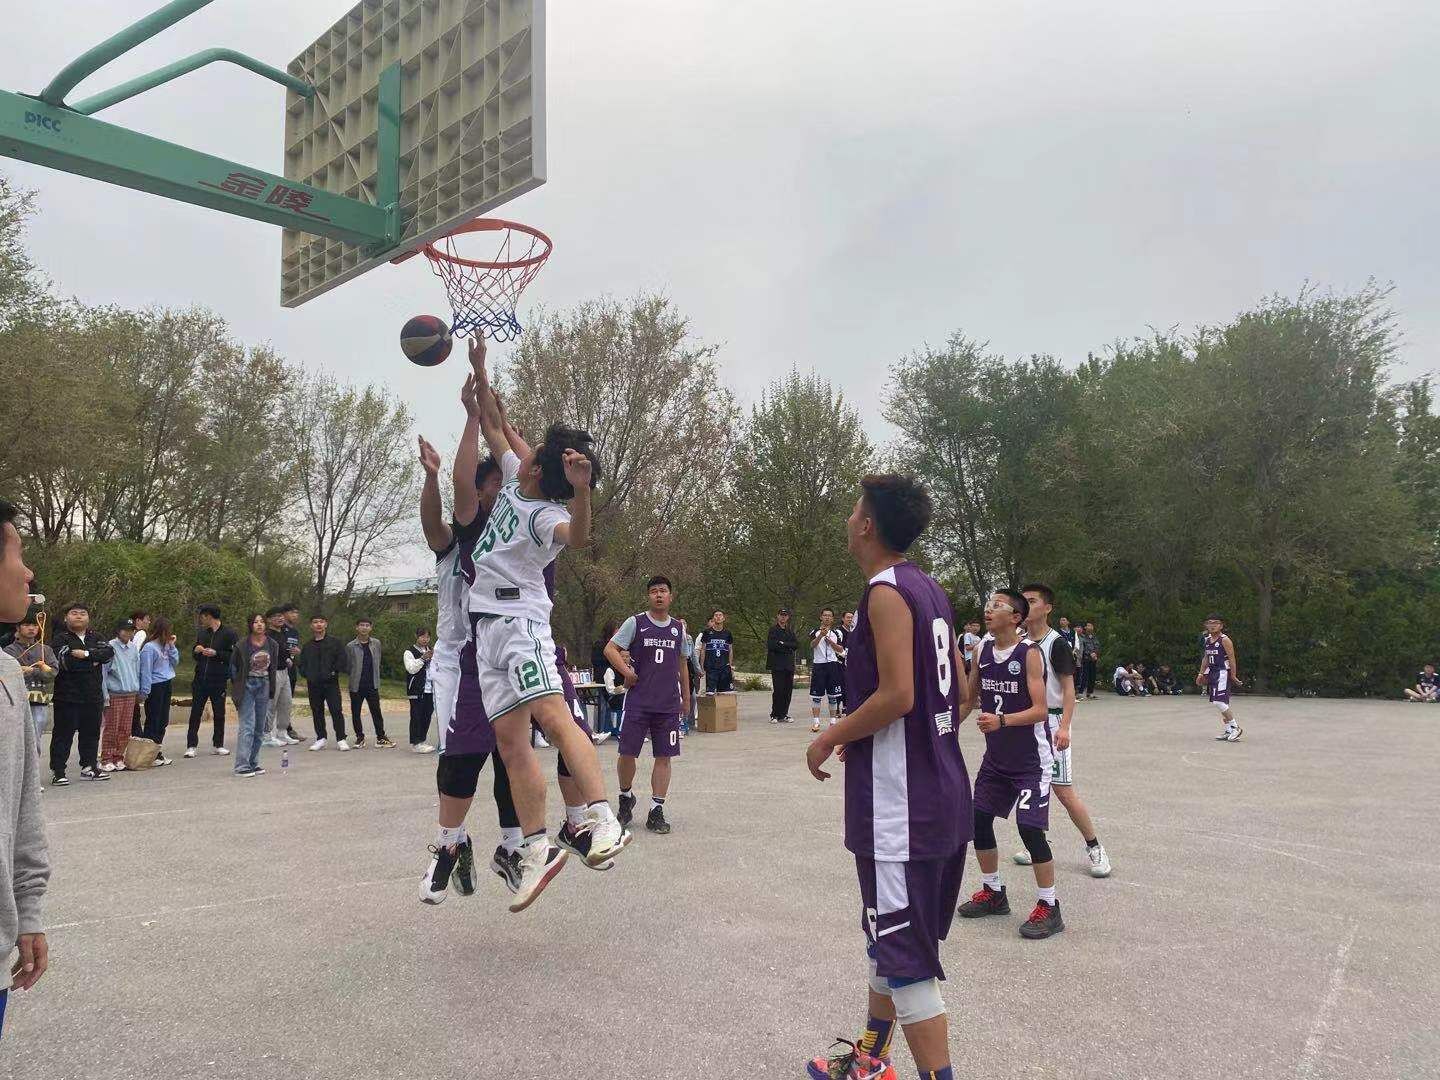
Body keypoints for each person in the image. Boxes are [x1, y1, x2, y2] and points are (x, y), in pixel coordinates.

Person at [803, 475, 968, 1080]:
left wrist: (831, 734)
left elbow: (899, 695)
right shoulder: (929, 588)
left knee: (907, 961)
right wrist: (878, 736)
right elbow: (954, 691)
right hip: (937, 790)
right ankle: (871, 1058)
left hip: (903, 808)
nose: (849, 520)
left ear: (868, 525)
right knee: (886, 935)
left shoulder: (884, 591)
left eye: (854, 511)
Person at [463, 336, 628, 907]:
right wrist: (482, 372)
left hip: (520, 624)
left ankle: (601, 818)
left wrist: (582, 494)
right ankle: (535, 849)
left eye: (531, 448)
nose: (521, 444)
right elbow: (495, 422)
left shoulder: (546, 515)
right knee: (511, 744)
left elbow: (577, 538)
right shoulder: (515, 473)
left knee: (555, 719)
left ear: (537, 466)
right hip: (486, 627)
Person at [957, 587, 1065, 940]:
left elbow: (1040, 710)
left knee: (1030, 830)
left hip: (1031, 761)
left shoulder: (1029, 654)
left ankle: (1049, 905)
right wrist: (943, 731)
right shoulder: (981, 650)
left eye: (997, 605)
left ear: (1016, 617)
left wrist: (1002, 721)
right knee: (978, 820)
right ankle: (993, 892)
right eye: (988, 604)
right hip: (996, 759)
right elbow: (969, 699)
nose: (988, 610)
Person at [1011, 584, 1111, 878]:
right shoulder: (1019, 643)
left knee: (1063, 791)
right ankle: (1036, 843)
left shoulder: (1056, 643)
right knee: (1032, 786)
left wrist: (1065, 727)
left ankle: (1095, 847)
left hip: (1053, 722)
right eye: (1023, 601)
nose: (1026, 606)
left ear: (1048, 608)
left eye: (1032, 601)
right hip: (1026, 723)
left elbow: (1068, 690)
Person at [0, 497, 51, 1031]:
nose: (28, 571)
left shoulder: (8, 674)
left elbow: (22, 807)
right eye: (17, 553)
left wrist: (28, 911)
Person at [605, 575, 693, 835]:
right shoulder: (636, 622)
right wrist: (626, 672)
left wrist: (686, 698)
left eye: (663, 590)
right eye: (654, 591)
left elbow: (682, 664)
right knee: (627, 753)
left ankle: (656, 809)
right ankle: (625, 797)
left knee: (664, 756)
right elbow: (610, 649)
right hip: (638, 702)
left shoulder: (678, 629)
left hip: (667, 704)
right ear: (648, 596)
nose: (658, 595)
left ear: (670, 596)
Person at [50, 603, 115, 784]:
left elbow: (108, 653)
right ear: (66, 618)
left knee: (91, 733)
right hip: (67, 696)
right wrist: (93, 660)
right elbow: (66, 663)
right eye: (74, 613)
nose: (79, 616)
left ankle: (89, 766)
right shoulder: (60, 639)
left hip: (93, 695)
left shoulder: (96, 636)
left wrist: (85, 654)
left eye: (83, 613)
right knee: (63, 734)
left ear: (88, 618)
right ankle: (58, 771)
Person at [185, 604, 237, 758]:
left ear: (210, 617)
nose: (201, 619)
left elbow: (234, 656)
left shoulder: (229, 634)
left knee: (219, 713)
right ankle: (191, 745)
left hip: (218, 679)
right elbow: (195, 654)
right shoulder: (202, 633)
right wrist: (196, 650)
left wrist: (216, 653)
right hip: (200, 679)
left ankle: (218, 744)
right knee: (195, 712)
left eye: (203, 616)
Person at [230, 614, 278, 777]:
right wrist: (238, 684)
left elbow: (273, 667)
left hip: (264, 684)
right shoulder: (242, 644)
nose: (259, 624)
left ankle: (253, 762)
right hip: (247, 685)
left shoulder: (272, 644)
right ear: (250, 625)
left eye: (262, 622)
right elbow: (234, 667)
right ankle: (241, 766)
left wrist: (271, 687)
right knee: (247, 726)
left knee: (259, 727)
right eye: (256, 622)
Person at [4, 614, 55, 754]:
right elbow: (10, 674)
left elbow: (53, 673)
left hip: (39, 700)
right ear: (18, 628)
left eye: (35, 625)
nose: (31, 628)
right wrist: (39, 670)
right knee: (15, 740)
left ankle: (34, 767)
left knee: (35, 740)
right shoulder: (9, 651)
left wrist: (32, 670)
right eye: (27, 625)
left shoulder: (46, 650)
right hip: (16, 701)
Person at [299, 615, 349, 751]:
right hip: (314, 684)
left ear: (326, 624)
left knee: (336, 710)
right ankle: (321, 738)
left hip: (331, 683)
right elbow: (302, 664)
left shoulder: (335, 642)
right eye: (315, 622)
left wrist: (333, 672)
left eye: (321, 622)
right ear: (311, 625)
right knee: (317, 711)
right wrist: (308, 674)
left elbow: (342, 659)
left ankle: (341, 738)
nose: (318, 624)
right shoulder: (308, 646)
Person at [99, 618, 140, 772]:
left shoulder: (133, 648)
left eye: (131, 630)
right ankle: (106, 758)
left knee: (125, 729)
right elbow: (103, 672)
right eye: (125, 630)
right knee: (112, 727)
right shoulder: (110, 647)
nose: (128, 633)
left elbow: (137, 669)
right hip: (114, 692)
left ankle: (118, 757)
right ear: (118, 631)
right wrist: (105, 694)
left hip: (130, 692)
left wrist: (138, 688)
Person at [137, 616, 178, 766]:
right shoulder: (149, 648)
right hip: (155, 686)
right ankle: (148, 753)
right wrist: (145, 691)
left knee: (163, 720)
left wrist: (172, 646)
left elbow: (175, 662)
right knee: (153, 720)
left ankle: (156, 751)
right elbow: (146, 671)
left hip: (166, 682)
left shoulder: (166, 646)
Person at [346, 618, 393, 748]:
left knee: (376, 711)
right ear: (357, 627)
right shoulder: (351, 646)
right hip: (356, 685)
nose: (364, 628)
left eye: (367, 625)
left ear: (371, 628)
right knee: (356, 712)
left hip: (372, 684)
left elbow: (378, 660)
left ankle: (381, 737)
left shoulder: (376, 643)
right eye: (362, 625)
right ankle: (360, 738)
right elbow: (348, 665)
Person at [1198, 614, 1243, 741]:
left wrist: (1233, 675)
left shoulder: (1225, 640)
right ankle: (1229, 730)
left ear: (1221, 625)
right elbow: (1206, 658)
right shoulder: (1207, 640)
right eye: (1210, 623)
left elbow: (1232, 658)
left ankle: (1235, 727)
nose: (1212, 625)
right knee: (1220, 702)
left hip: (1222, 672)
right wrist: (1201, 673)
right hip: (1212, 672)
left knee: (1219, 701)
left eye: (1215, 623)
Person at [262, 608, 298, 748]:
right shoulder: (267, 635)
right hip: (272, 673)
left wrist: (288, 658)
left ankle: (282, 732)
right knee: (271, 704)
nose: (280, 618)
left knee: (286, 703)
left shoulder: (283, 633)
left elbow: (284, 651)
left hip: (285, 672)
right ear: (269, 620)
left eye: (281, 616)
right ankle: (266, 735)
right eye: (276, 616)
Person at [808, 607, 846, 733]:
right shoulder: (814, 631)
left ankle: (833, 722)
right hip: (819, 665)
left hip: (832, 665)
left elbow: (841, 650)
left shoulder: (836, 633)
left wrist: (831, 643)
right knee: (816, 696)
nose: (827, 617)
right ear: (821, 617)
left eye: (829, 615)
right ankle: (816, 722)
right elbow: (812, 645)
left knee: (833, 696)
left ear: (833, 618)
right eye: (825, 615)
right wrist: (821, 636)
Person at [404, 628, 436, 752]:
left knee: (427, 715)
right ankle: (416, 743)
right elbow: (411, 669)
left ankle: (422, 740)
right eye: (422, 636)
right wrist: (422, 659)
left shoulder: (432, 650)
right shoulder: (409, 652)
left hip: (431, 689)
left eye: (427, 637)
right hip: (416, 689)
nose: (425, 639)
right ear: (416, 636)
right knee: (416, 716)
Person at [766, 608, 798, 723]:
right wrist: (787, 646)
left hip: (788, 665)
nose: (783, 617)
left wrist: (783, 643)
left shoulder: (790, 631)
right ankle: (775, 714)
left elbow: (795, 645)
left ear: (788, 617)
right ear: (778, 616)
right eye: (781, 615)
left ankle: (784, 714)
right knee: (778, 690)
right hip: (777, 665)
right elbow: (772, 645)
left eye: (785, 615)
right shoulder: (773, 630)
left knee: (787, 691)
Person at [279, 604, 304, 742]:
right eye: (292, 612)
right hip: (279, 668)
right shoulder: (280, 629)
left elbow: (294, 648)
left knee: (287, 702)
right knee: (274, 701)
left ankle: (287, 729)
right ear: (284, 614)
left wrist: (297, 651)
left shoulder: (295, 632)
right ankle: (269, 731)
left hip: (291, 669)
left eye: (297, 613)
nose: (295, 615)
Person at [697, 610, 734, 694]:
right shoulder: (707, 632)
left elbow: (730, 649)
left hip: (724, 667)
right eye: (716, 615)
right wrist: (702, 666)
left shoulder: (727, 633)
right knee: (710, 693)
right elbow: (703, 649)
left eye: (720, 615)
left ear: (723, 618)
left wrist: (730, 665)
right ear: (713, 618)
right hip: (711, 667)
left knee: (725, 693)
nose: (718, 617)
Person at [1077, 622, 1099, 699]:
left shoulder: (1094, 637)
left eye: (1091, 625)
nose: (1089, 627)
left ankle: (1090, 692)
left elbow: (1097, 646)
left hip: (1093, 659)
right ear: (1085, 628)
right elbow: (1083, 647)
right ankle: (1080, 692)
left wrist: (1095, 653)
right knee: (1084, 676)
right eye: (1088, 626)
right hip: (1086, 658)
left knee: (1092, 676)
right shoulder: (1083, 637)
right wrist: (1090, 654)